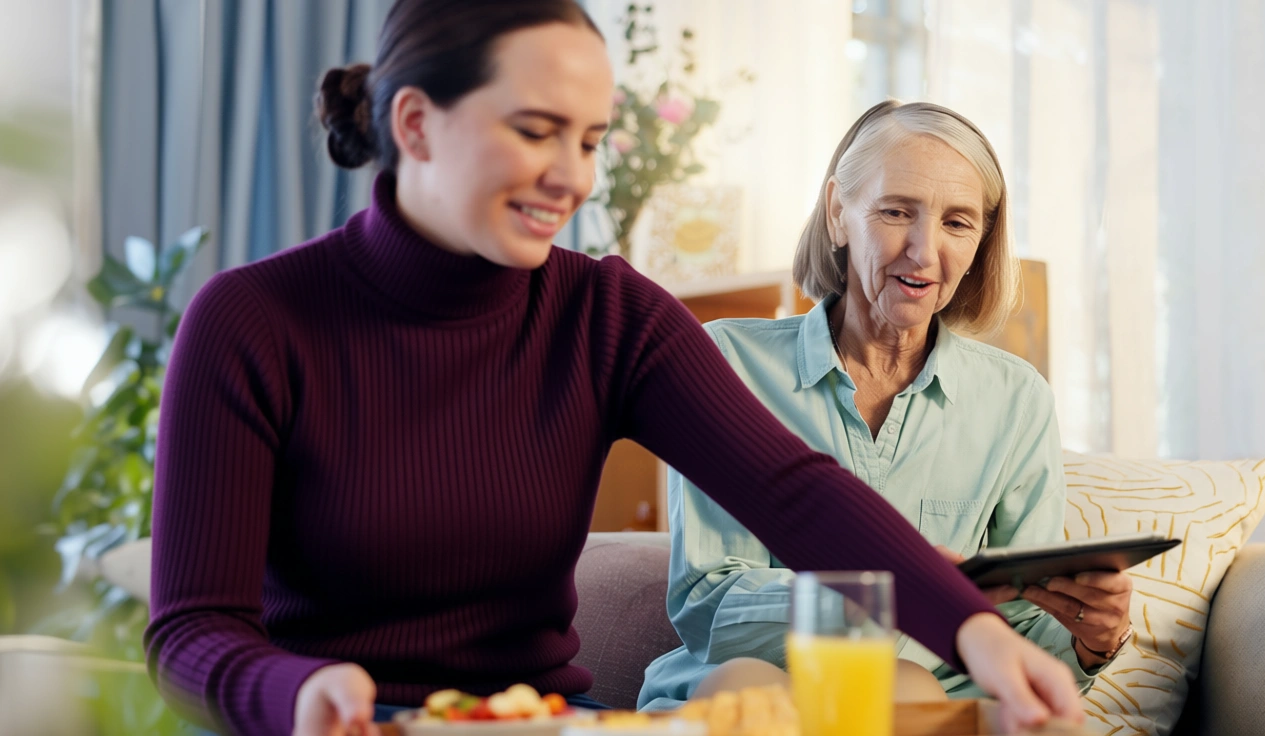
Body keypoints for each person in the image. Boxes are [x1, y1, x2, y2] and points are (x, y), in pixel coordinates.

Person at [144, 3, 1084, 734]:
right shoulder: (252, 322)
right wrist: (296, 692)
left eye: (590, 141)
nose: (575, 176)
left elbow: (795, 492)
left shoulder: (608, 314)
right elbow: (190, 633)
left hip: (538, 721)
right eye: (536, 130)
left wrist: (975, 631)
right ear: (417, 125)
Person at [639, 101, 1134, 711]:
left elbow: (1022, 629)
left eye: (958, 222)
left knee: (910, 690)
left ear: (982, 240)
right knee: (757, 691)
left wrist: (1092, 642)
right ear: (838, 213)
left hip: (920, 704)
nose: (924, 251)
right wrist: (893, 593)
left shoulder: (1015, 399)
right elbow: (709, 600)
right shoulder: (728, 360)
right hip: (745, 689)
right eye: (897, 212)